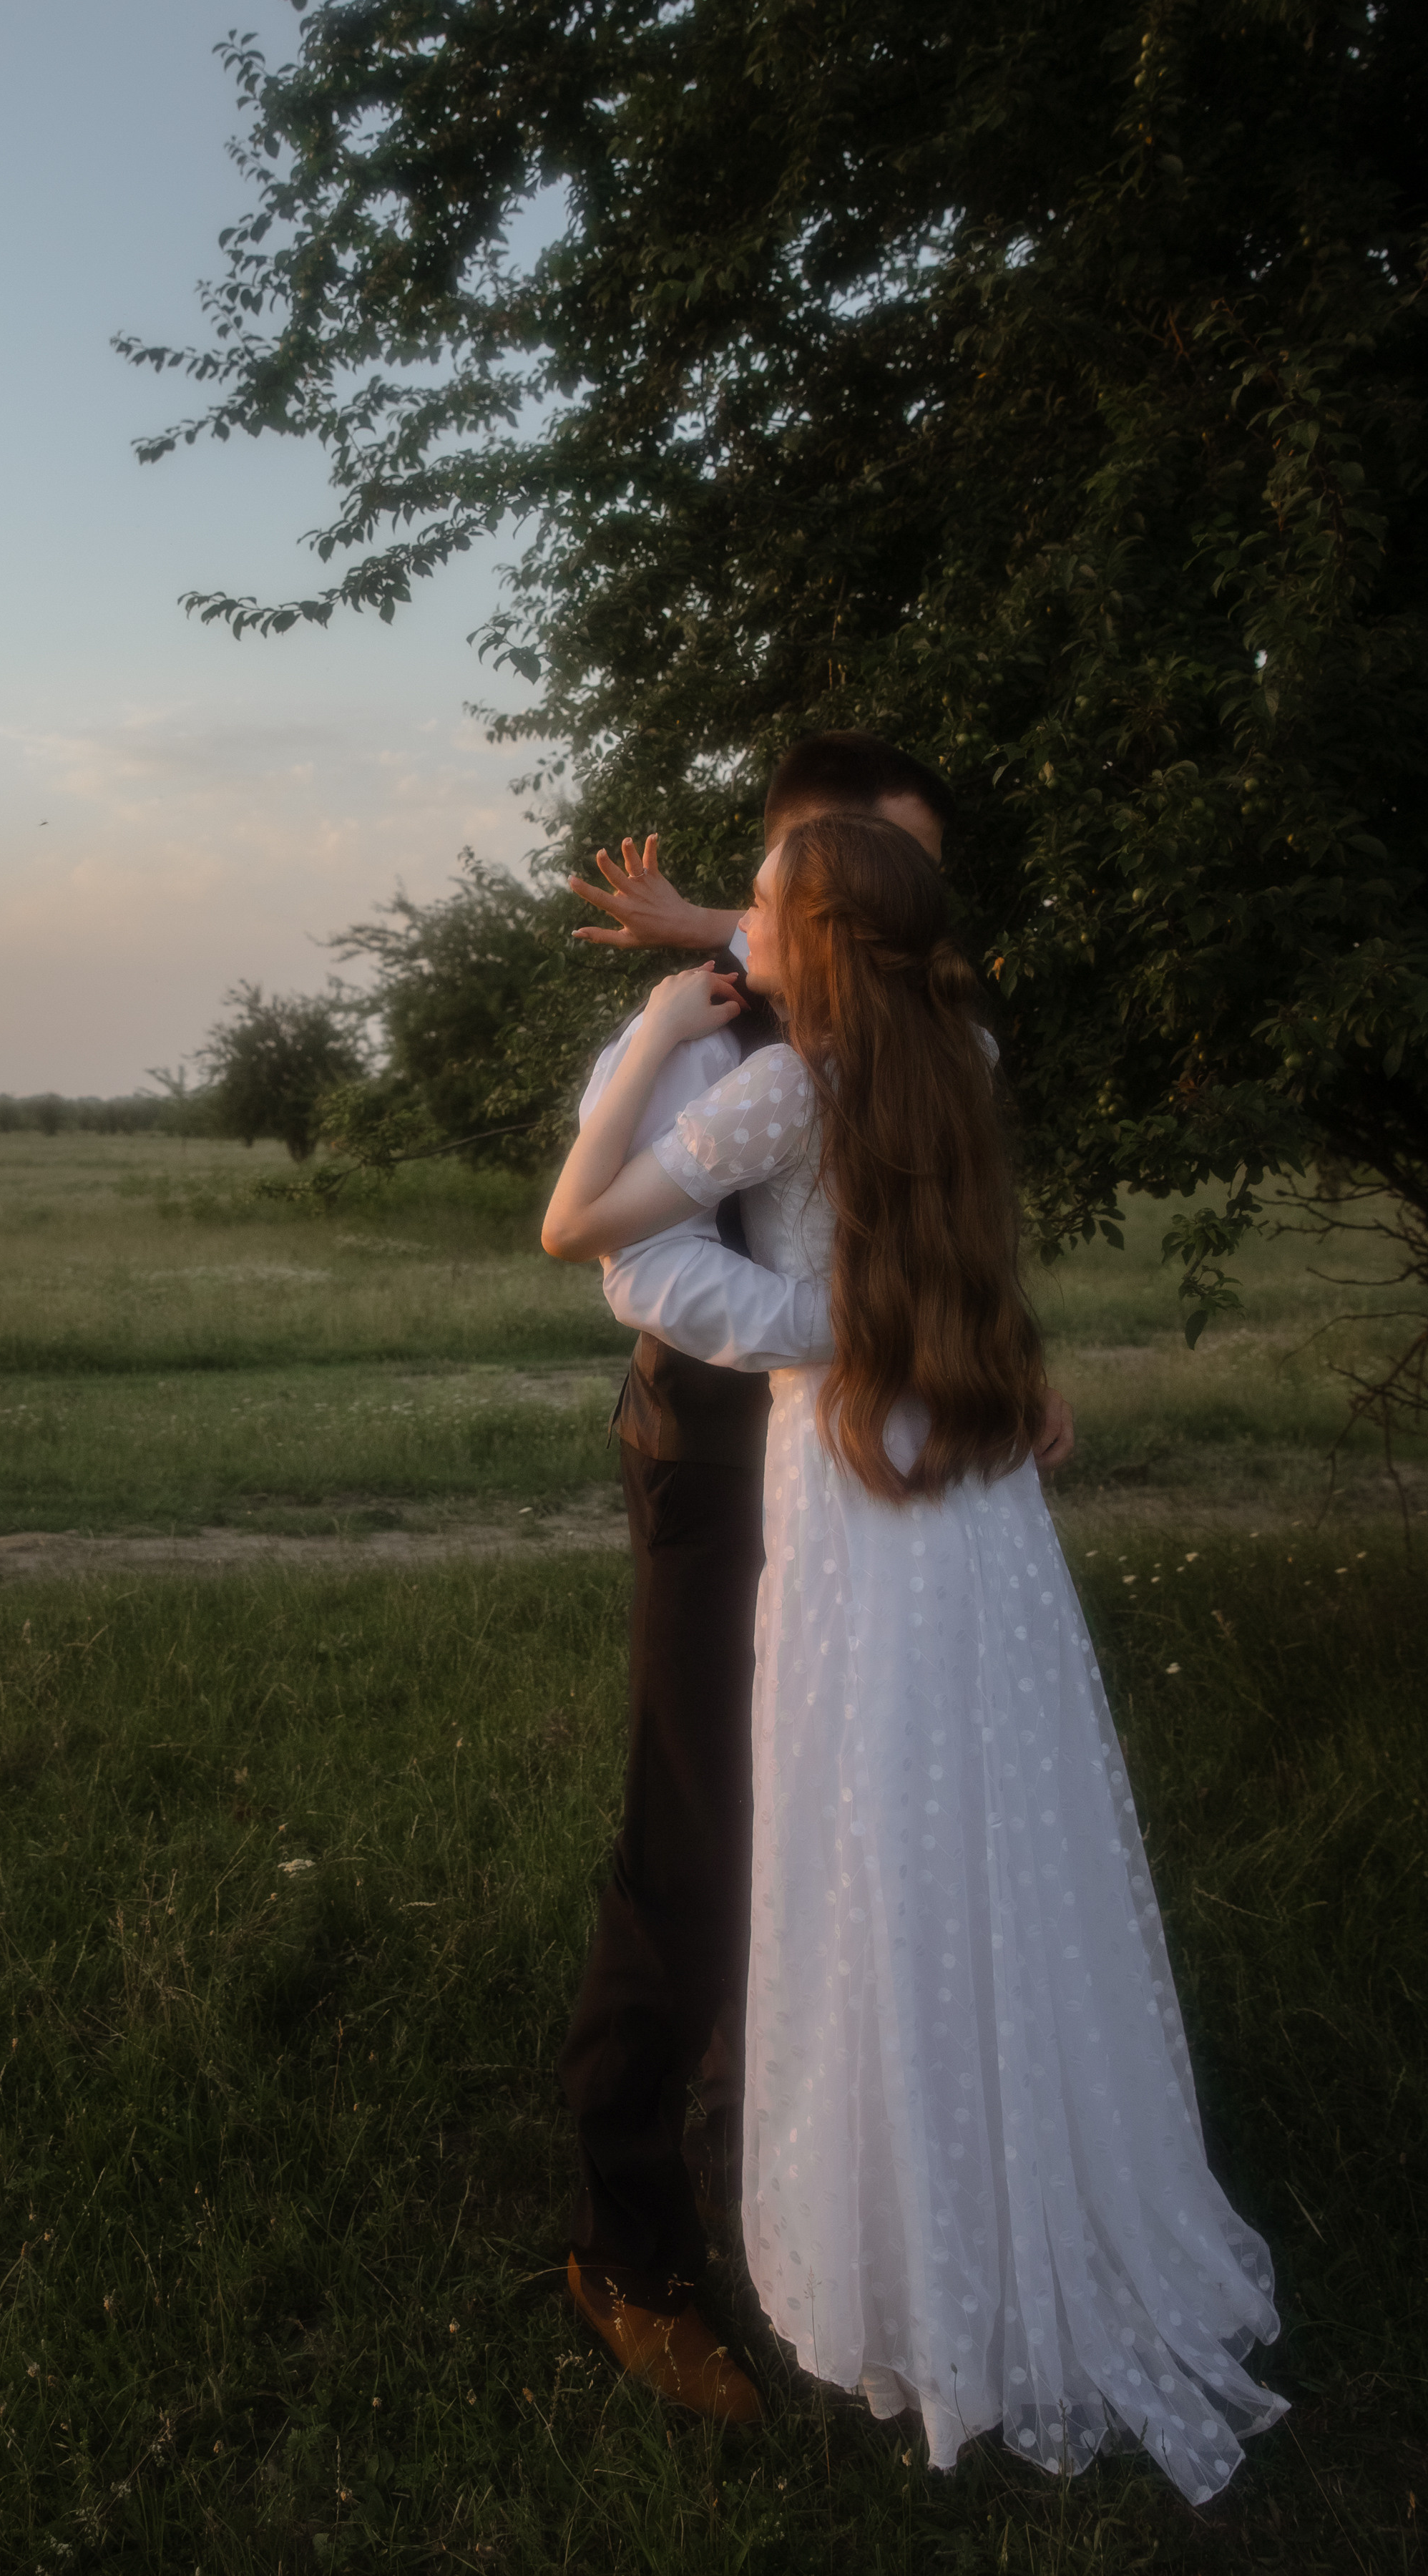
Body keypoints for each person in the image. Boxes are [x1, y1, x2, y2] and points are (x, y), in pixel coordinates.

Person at [542, 813, 1286, 2500]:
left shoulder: (783, 1084)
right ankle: (1015, 2177)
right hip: (971, 1507)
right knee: (997, 1832)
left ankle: (906, 2235)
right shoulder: (965, 1045)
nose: (742, 932)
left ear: (805, 934)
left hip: (851, 1491)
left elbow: (578, 1224)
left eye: (767, 908)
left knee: (861, 1839)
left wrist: (671, 1013)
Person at [552, 733, 1070, 2423]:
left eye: (913, 875)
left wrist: (979, 1356)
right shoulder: (710, 1043)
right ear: (794, 876)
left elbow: (946, 1220)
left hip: (886, 1476)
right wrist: (843, 1348)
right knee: (697, 1843)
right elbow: (643, 1272)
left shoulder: (911, 1022)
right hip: (722, 1466)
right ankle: (629, 2248)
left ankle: (836, 2174)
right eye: (852, 869)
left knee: (865, 1827)